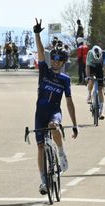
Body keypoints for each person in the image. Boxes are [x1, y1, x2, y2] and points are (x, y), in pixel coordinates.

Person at [33, 18, 78, 195]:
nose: (56, 62)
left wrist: (74, 124)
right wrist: (37, 34)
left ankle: (61, 153)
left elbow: (69, 102)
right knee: (40, 147)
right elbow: (41, 52)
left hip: (54, 112)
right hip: (39, 113)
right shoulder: (44, 70)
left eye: (60, 60)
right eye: (54, 59)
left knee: (53, 126)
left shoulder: (65, 80)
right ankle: (43, 181)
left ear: (64, 61)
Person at [86, 45, 105, 120]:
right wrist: (88, 76)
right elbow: (87, 66)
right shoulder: (89, 53)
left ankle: (101, 112)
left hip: (100, 67)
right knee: (91, 79)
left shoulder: (104, 53)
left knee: (100, 89)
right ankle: (89, 94)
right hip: (92, 67)